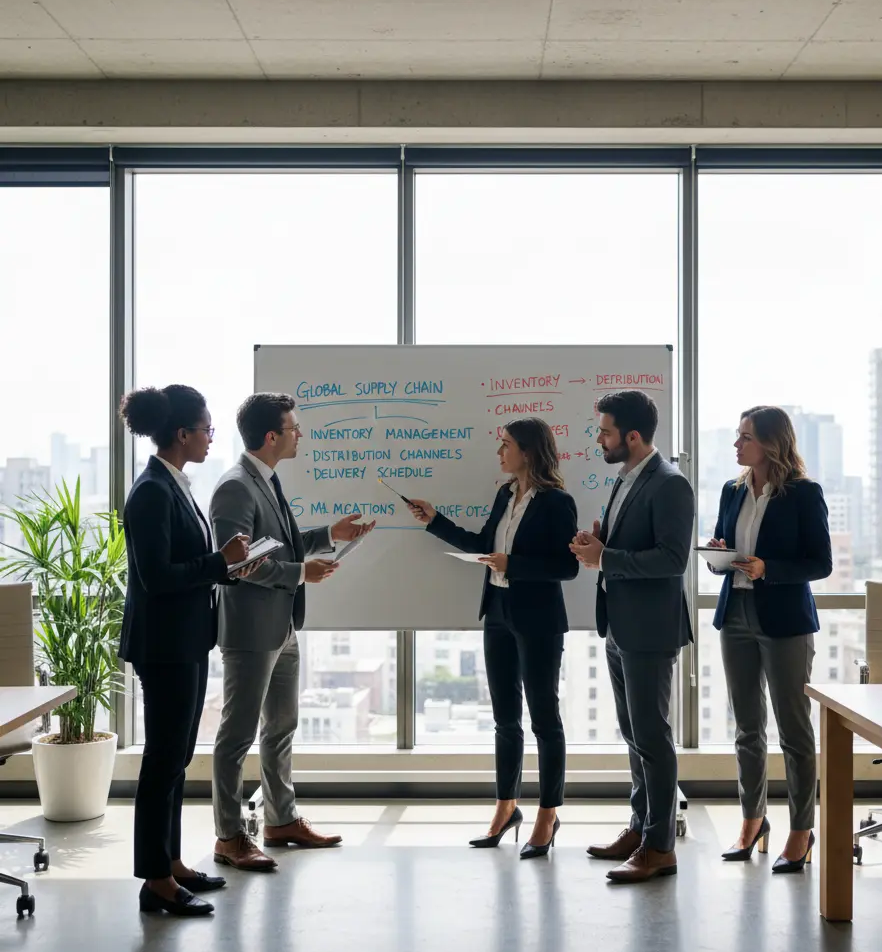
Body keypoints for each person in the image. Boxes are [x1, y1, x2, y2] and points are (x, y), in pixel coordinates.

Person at [208, 392, 374, 871]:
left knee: (281, 727)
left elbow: (274, 545)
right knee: (237, 736)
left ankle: (282, 820)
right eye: (294, 427)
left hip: (282, 625)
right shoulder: (235, 487)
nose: (300, 434)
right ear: (271, 436)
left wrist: (328, 536)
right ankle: (229, 835)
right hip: (251, 630)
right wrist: (301, 572)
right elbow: (237, 564)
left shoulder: (266, 480)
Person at [407, 418, 579, 857]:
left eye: (505, 445)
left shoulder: (558, 503)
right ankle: (506, 808)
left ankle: (548, 814)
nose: (499, 453)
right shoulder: (505, 494)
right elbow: (484, 545)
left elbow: (567, 568)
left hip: (538, 619)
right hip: (498, 613)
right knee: (505, 719)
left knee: (544, 718)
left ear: (527, 451)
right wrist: (435, 521)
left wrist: (512, 565)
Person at [120, 384, 254, 917]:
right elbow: (156, 577)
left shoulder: (174, 484)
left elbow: (191, 565)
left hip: (185, 640)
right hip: (165, 645)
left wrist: (231, 564)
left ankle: (169, 862)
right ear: (182, 433)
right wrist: (220, 562)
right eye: (206, 429)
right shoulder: (152, 490)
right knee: (162, 762)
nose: (209, 438)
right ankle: (155, 881)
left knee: (175, 760)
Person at [570, 390, 694, 884]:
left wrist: (607, 558)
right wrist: (600, 543)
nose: (599, 438)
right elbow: (628, 545)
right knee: (634, 735)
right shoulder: (626, 478)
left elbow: (671, 560)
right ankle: (641, 827)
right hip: (621, 625)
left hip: (648, 628)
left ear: (633, 436)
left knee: (653, 738)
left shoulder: (670, 484)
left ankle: (660, 846)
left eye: (605, 431)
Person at [708, 405, 831, 874]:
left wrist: (768, 569)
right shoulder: (731, 490)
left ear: (770, 443)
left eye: (745, 438)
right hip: (735, 612)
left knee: (794, 731)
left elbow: (820, 563)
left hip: (784, 620)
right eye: (738, 436)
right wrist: (717, 554)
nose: (736, 446)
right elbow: (722, 546)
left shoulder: (803, 494)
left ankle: (801, 829)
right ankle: (752, 821)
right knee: (746, 728)